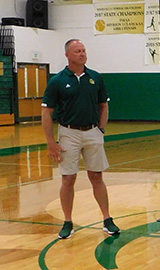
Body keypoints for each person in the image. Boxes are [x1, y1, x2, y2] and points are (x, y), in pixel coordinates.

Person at [41, 39, 120, 239]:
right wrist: (51, 142)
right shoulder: (57, 81)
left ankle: (107, 219)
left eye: (83, 50)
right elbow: (47, 113)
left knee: (97, 176)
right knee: (68, 178)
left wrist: (101, 129)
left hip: (93, 132)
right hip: (69, 133)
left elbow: (104, 105)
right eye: (77, 51)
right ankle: (67, 222)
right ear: (67, 55)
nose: (82, 54)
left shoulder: (96, 78)